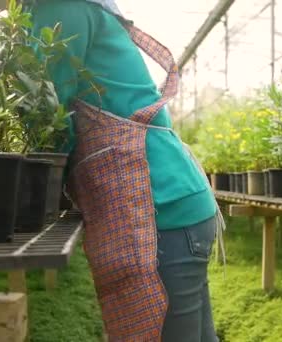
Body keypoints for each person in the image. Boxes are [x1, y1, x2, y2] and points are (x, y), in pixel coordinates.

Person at [19, 0, 224, 340]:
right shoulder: (82, 9)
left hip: (158, 211)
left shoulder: (59, 8)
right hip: (177, 203)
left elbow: (46, 110)